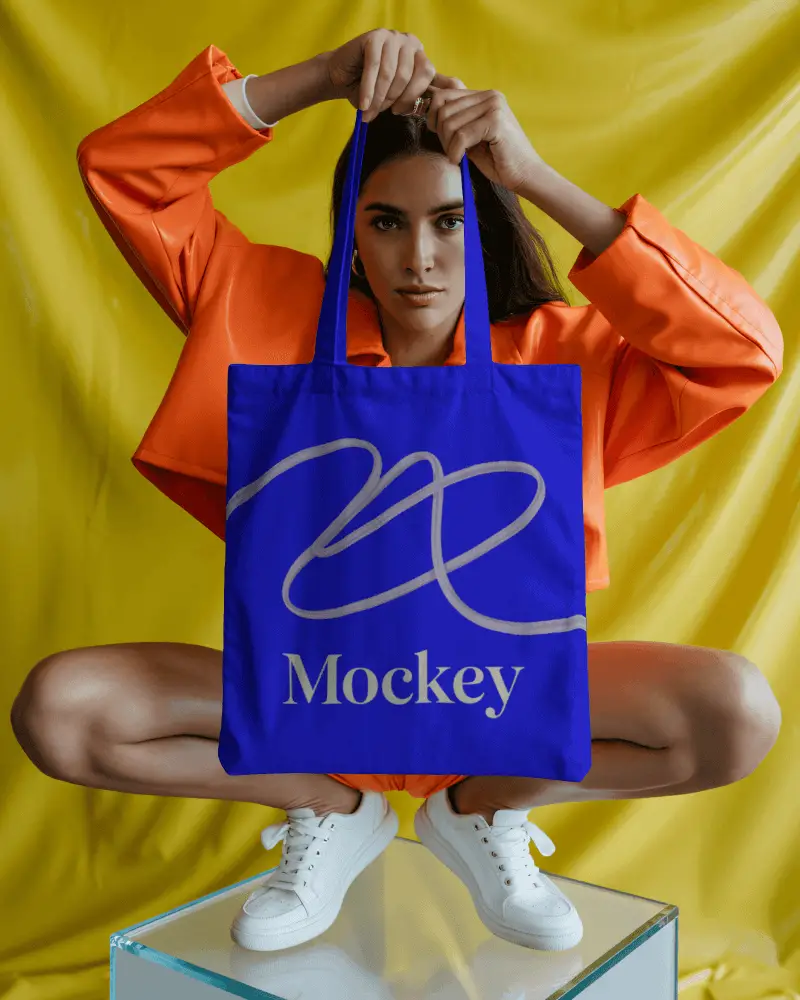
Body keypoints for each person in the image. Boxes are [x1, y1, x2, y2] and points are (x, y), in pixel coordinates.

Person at [10, 29, 784, 955]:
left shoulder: (559, 358)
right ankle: (332, 811)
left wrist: (535, 176)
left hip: (495, 711)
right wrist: (321, 81)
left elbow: (744, 353)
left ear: (482, 225)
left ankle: (481, 811)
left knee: (737, 713)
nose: (419, 255)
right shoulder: (258, 307)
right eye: (386, 221)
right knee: (58, 710)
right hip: (310, 704)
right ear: (350, 230)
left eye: (448, 222)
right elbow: (126, 172)